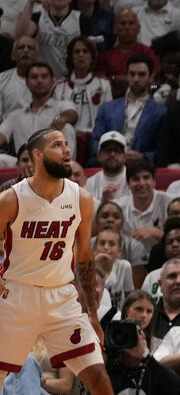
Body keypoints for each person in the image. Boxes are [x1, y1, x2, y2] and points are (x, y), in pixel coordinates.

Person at [0, 128, 113, 394]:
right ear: (37, 155)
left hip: (62, 297)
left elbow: (85, 257)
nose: (67, 150)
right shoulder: (11, 199)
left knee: (98, 378)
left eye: (67, 144)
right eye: (57, 145)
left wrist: (93, 315)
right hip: (17, 295)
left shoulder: (81, 198)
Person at [90, 54, 166, 161]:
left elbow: (163, 149)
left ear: (151, 77)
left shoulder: (160, 112)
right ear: (127, 75)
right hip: (109, 160)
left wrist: (142, 157)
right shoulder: (107, 108)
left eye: (141, 74)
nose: (135, 79)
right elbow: (95, 140)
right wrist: (107, 153)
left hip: (140, 163)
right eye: (132, 74)